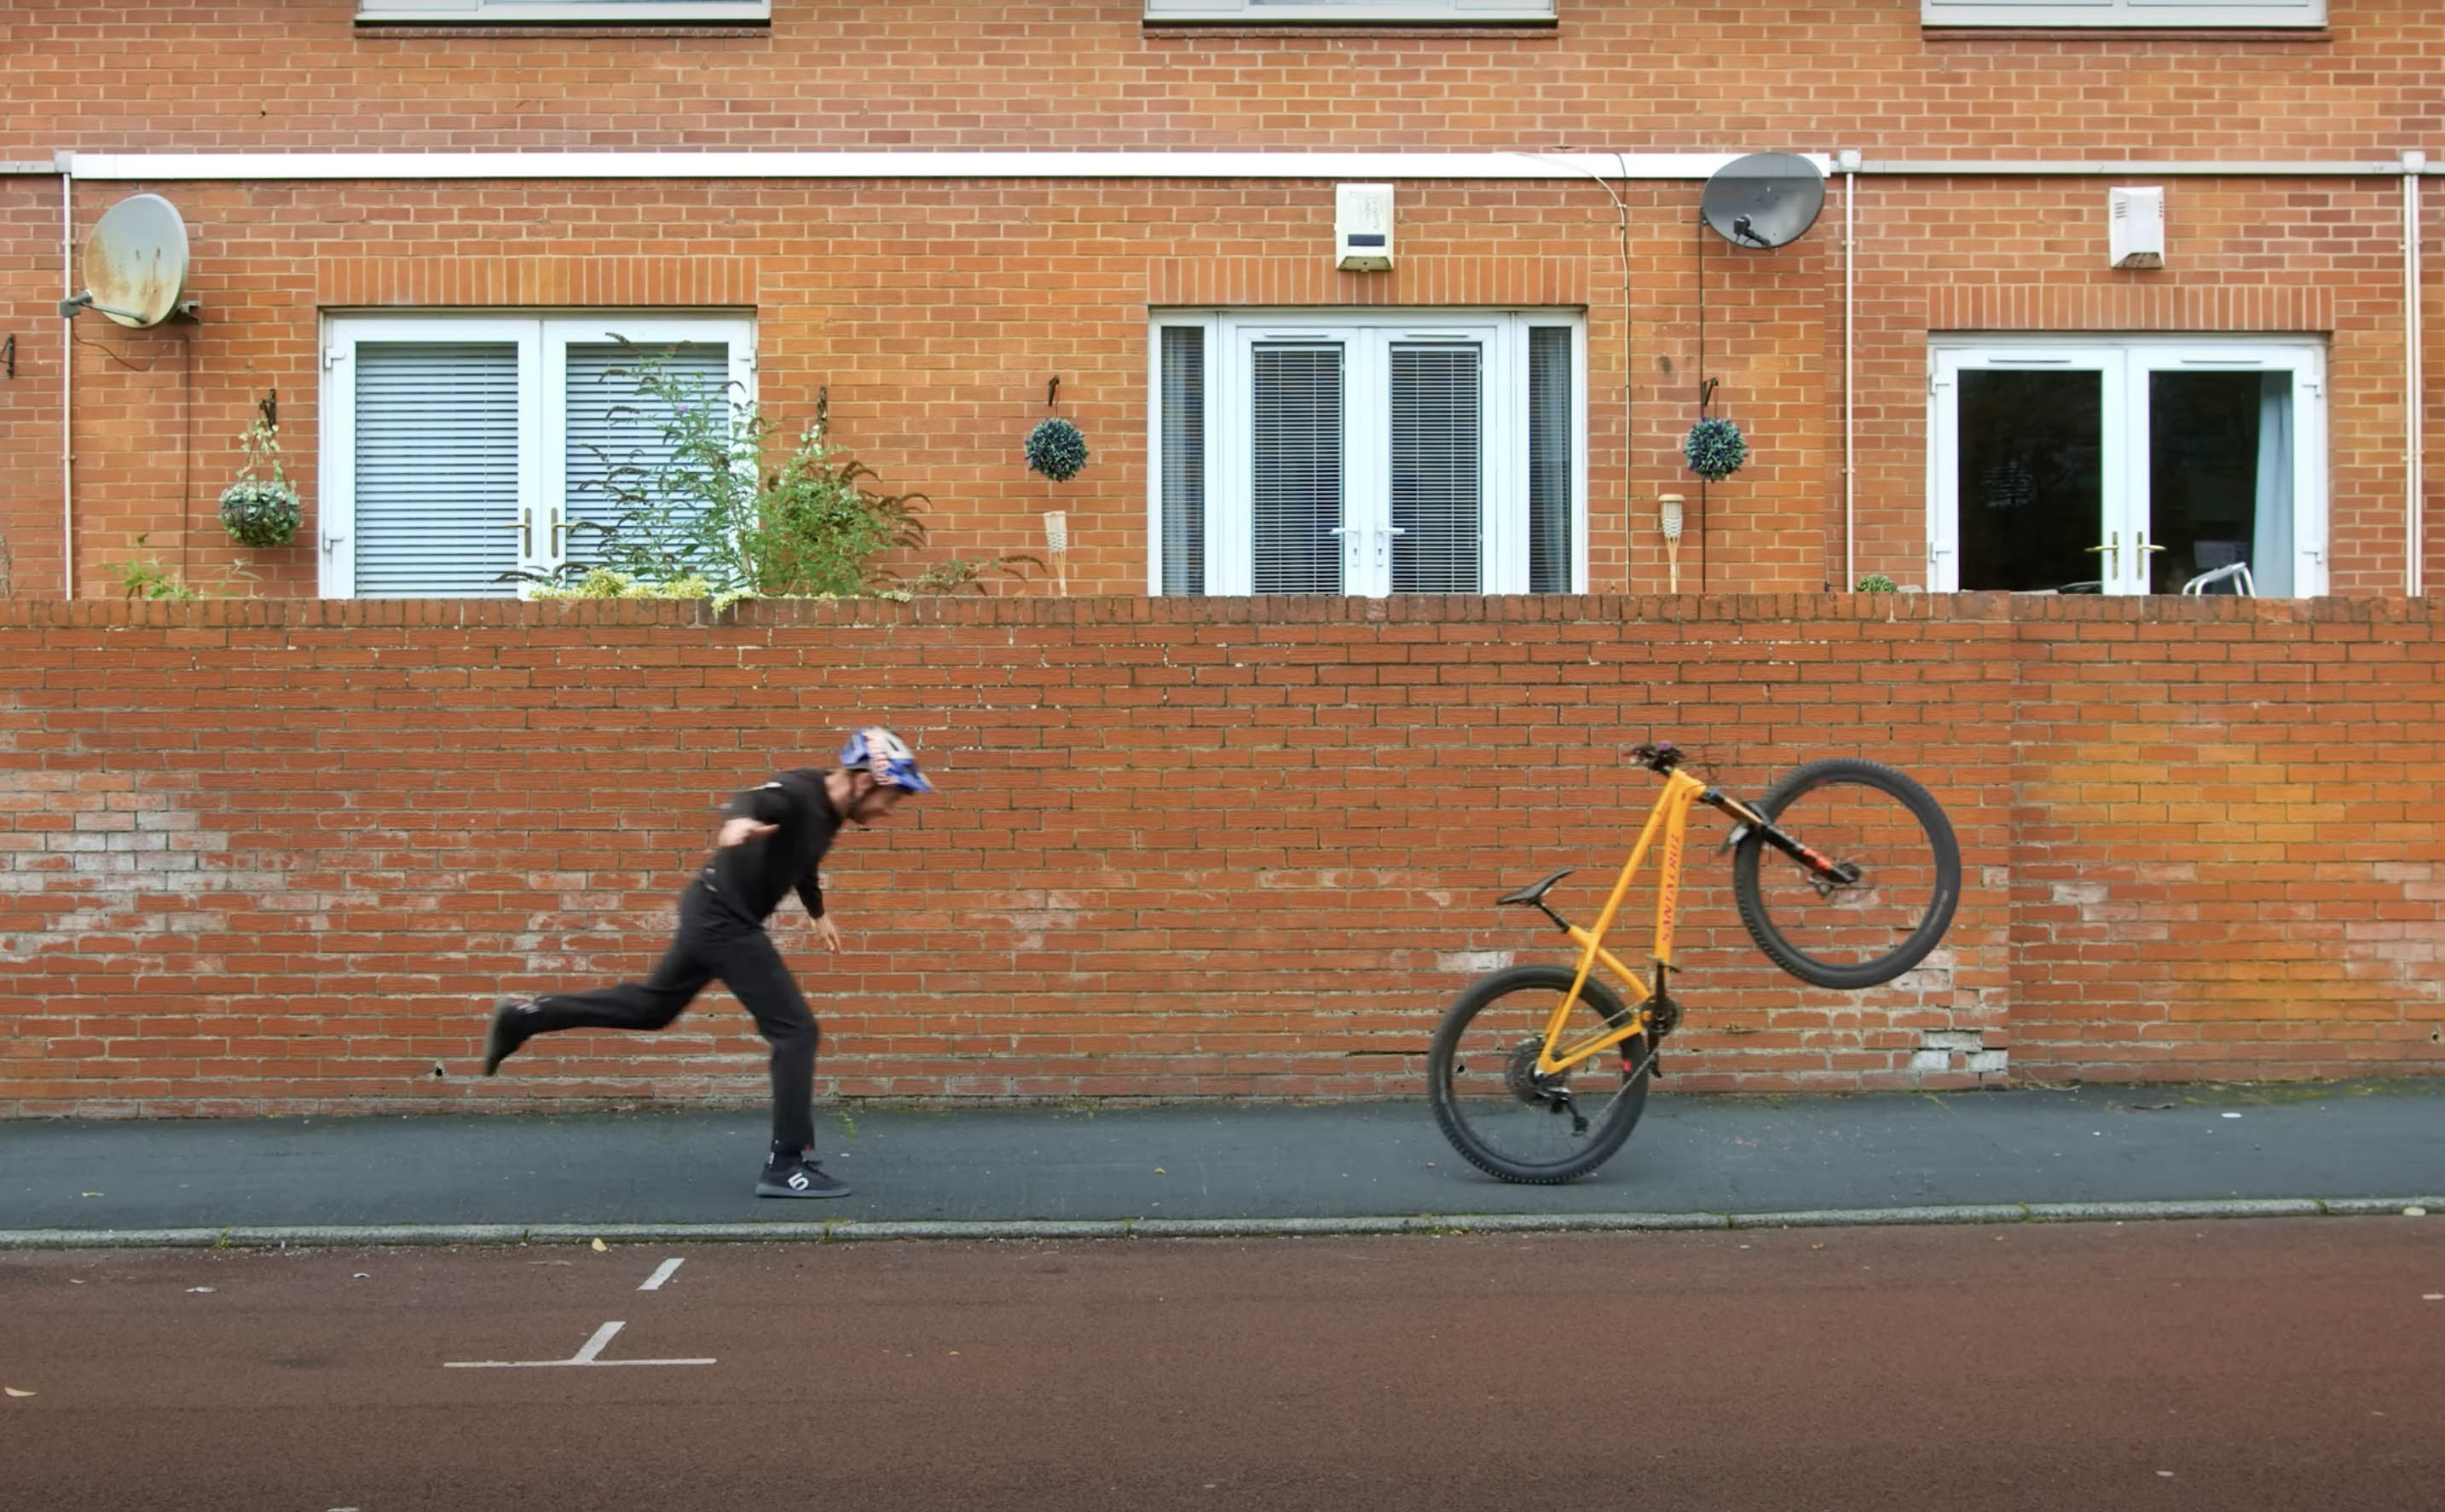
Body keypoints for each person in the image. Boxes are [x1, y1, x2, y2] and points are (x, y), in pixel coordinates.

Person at [480, 726, 933, 1198]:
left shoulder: (829, 815)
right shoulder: (799, 792)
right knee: (796, 1031)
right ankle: (787, 1165)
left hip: (711, 911)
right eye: (893, 797)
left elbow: (804, 858)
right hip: (724, 921)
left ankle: (527, 1015)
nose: (889, 810)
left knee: (652, 1009)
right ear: (864, 781)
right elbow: (753, 801)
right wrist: (738, 823)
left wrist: (817, 913)